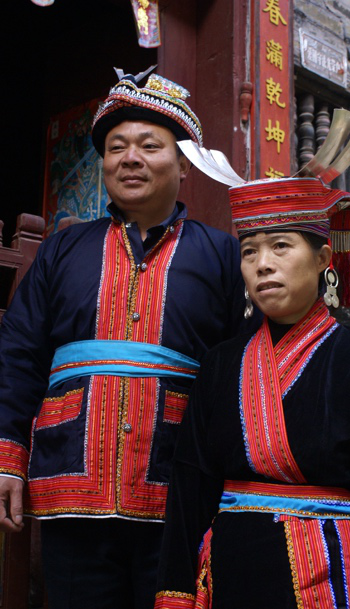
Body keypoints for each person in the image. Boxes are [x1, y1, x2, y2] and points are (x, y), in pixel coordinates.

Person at [0, 68, 260, 609]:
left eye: (149, 145)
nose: (130, 158)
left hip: (180, 487)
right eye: (116, 147)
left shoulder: (222, 256)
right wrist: (7, 457)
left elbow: (243, 370)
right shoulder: (61, 250)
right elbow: (19, 354)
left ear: (183, 164)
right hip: (71, 484)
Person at [154, 174, 350, 609]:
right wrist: (176, 592)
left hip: (330, 578)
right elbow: (189, 489)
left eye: (281, 246)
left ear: (323, 258)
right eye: (249, 251)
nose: (263, 264)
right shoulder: (219, 365)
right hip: (230, 576)